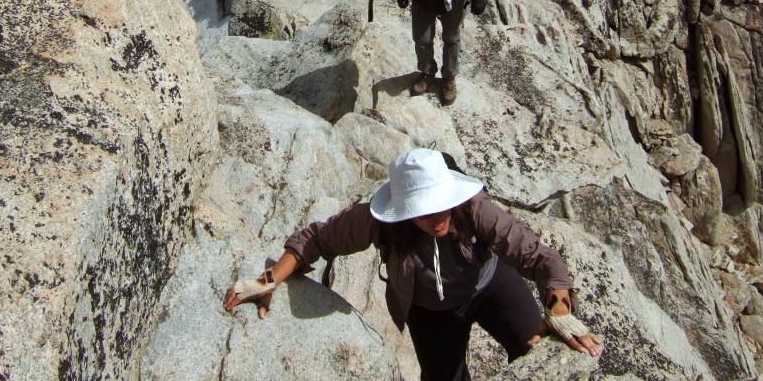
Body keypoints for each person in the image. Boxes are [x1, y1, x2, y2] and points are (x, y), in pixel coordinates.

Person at [224, 149, 601, 381]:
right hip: (429, 312)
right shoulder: (380, 221)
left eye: (442, 206)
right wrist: (269, 278)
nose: (437, 218)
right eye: (423, 212)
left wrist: (560, 309)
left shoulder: (473, 209)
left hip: (489, 289)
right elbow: (318, 239)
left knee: (536, 348)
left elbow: (538, 257)